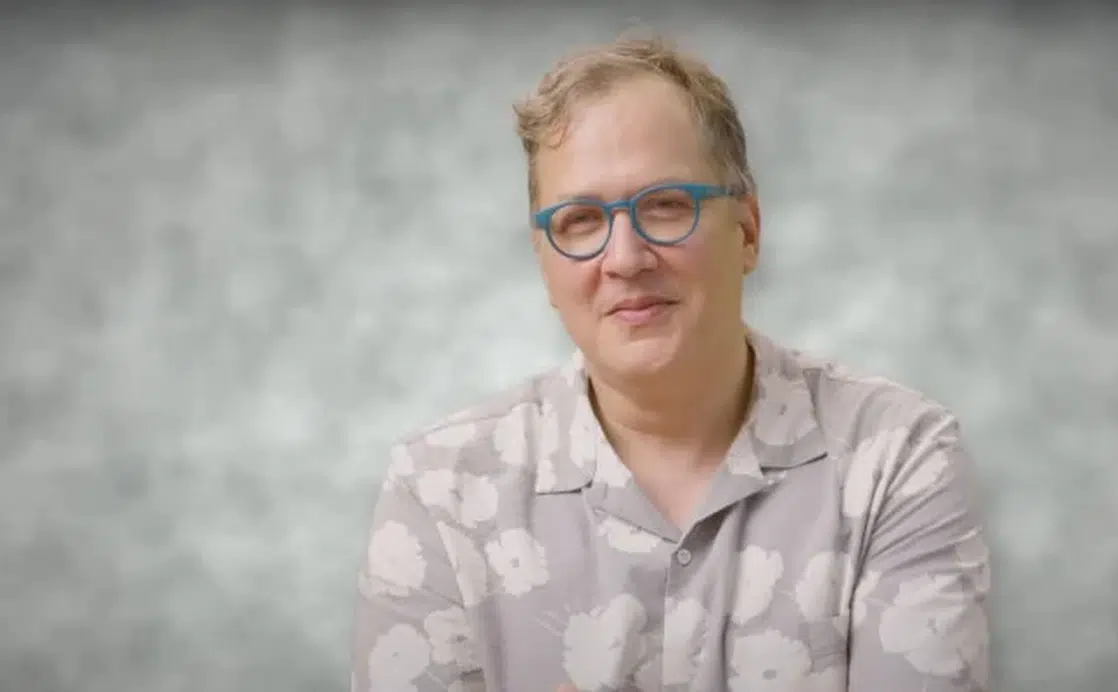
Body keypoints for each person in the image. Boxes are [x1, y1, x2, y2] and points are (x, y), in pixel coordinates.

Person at [350, 32, 992, 692]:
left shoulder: (897, 458)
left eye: (665, 206)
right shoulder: (439, 490)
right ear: (545, 264)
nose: (625, 259)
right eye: (580, 220)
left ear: (747, 231)